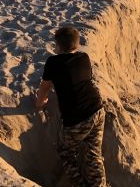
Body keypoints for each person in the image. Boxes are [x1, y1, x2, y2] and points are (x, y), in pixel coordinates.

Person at [35, 26, 106, 187]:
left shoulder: (53, 62)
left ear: (58, 47)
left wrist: (40, 103)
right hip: (97, 110)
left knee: (66, 153)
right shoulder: (84, 57)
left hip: (76, 120)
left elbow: (45, 87)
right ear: (77, 44)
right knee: (94, 154)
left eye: (55, 45)